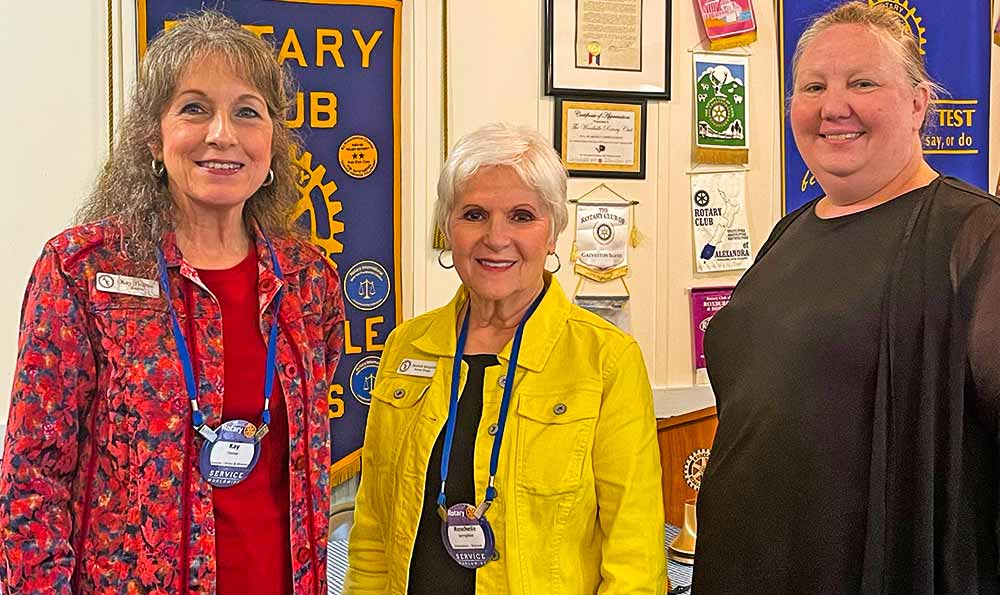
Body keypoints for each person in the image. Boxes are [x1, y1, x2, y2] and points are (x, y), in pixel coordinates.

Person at [0, 12, 344, 595]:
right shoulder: (83, 271)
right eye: (193, 108)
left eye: (247, 111)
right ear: (153, 139)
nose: (221, 134)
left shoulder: (308, 282)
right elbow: (33, 479)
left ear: (272, 144)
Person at [695, 2, 1000, 593]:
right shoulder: (788, 233)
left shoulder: (974, 237)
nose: (834, 106)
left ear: (919, 104)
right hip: (745, 564)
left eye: (862, 82)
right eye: (813, 86)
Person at [345, 123, 666, 594]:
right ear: (446, 227)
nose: (496, 238)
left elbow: (634, 556)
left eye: (521, 216)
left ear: (553, 232)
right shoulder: (405, 346)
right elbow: (372, 525)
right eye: (474, 214)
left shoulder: (606, 360)